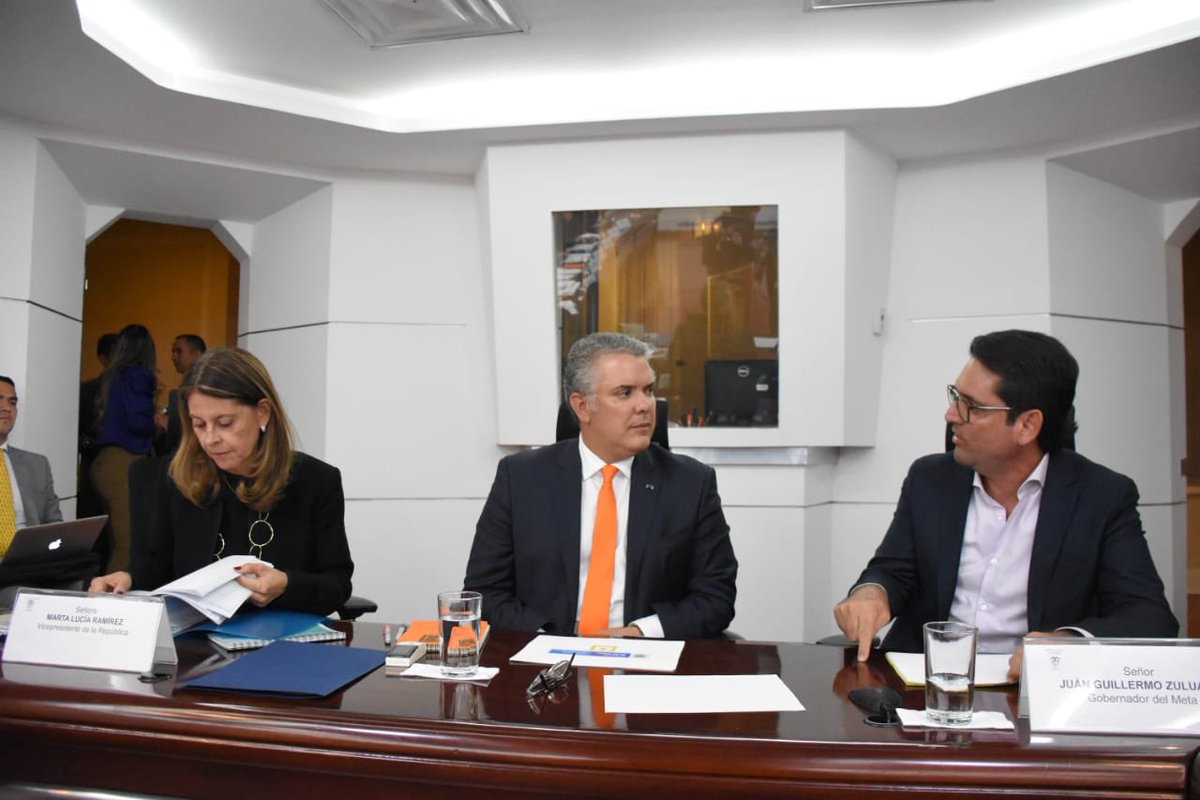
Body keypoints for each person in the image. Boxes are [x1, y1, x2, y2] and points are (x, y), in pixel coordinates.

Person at [833, 330, 1177, 680]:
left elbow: (1148, 616)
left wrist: (1066, 644)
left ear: (1027, 425)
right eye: (955, 396)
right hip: (924, 683)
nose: (951, 415)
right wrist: (872, 593)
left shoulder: (1101, 496)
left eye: (971, 406)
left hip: (1029, 689)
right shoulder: (929, 480)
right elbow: (892, 571)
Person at [464, 331, 737, 639]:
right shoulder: (521, 478)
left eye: (648, 390)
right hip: (546, 653)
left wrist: (641, 632)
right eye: (625, 393)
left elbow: (716, 598)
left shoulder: (690, 483)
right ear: (582, 407)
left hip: (645, 655)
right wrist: (544, 638)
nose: (645, 405)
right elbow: (485, 592)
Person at [89, 347, 353, 616]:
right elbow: (158, 568)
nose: (210, 439)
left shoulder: (316, 481)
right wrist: (128, 578)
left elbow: (337, 585)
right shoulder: (179, 477)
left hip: (283, 635)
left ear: (262, 413)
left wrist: (287, 584)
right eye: (199, 424)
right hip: (199, 637)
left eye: (225, 423)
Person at [90, 323, 157, 572]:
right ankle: (111, 596)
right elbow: (138, 421)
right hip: (124, 464)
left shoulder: (112, 377)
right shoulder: (137, 375)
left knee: (116, 543)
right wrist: (157, 420)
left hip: (104, 462)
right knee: (129, 546)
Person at [0, 375, 64, 542]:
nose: (7, 408)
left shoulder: (37, 465)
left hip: (31, 554)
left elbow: (55, 525)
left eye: (12, 402)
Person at [157, 333, 207, 454]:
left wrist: (170, 424)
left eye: (179, 352)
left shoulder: (206, 388)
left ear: (197, 354)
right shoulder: (184, 387)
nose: (173, 357)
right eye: (173, 352)